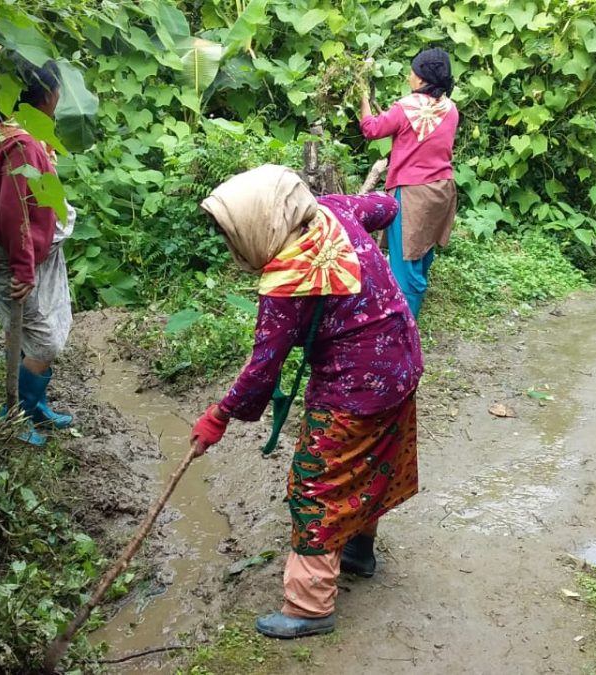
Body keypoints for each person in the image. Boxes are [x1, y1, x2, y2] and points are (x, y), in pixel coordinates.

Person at [192, 165, 423, 639]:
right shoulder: (334, 210)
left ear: (259, 224)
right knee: (373, 460)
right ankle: (358, 549)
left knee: (316, 483)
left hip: (352, 389)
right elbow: (387, 206)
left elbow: (261, 371)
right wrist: (365, 207)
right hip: (401, 363)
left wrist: (218, 416)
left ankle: (309, 606)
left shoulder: (287, 282)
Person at [0, 58, 75, 446]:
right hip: (11, 250)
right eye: (58, 90)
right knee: (44, 341)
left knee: (32, 332)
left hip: (16, 246)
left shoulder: (6, 132)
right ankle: (17, 413)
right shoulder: (21, 146)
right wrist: (23, 268)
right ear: (46, 95)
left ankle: (36, 405)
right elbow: (16, 213)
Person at [360, 47, 459, 319]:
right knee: (423, 254)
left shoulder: (406, 107)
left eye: (412, 71)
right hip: (442, 190)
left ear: (421, 78)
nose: (408, 75)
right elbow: (420, 137)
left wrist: (363, 102)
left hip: (413, 193)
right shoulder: (450, 109)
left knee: (405, 265)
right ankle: (408, 316)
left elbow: (371, 129)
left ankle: (403, 329)